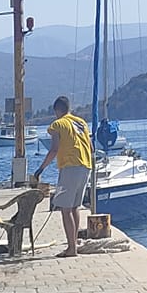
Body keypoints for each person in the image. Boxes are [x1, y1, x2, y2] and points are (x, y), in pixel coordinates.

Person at [33, 94, 94, 257]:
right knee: (75, 207)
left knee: (65, 209)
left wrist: (41, 169)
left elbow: (54, 149)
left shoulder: (57, 124)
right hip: (86, 165)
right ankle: (73, 244)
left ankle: (71, 248)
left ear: (56, 110)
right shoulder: (81, 123)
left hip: (70, 166)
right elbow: (91, 146)